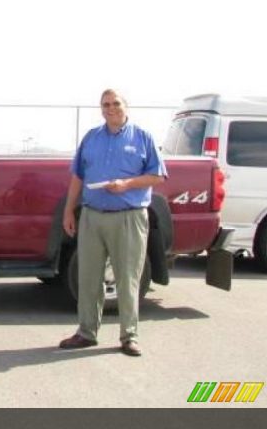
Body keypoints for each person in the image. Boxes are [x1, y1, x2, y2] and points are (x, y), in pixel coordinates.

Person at [58, 89, 167, 357]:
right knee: (88, 278)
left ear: (126, 106)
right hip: (93, 216)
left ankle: (129, 336)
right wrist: (68, 211)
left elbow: (158, 176)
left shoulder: (142, 137)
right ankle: (86, 332)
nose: (110, 108)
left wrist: (127, 184)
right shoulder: (91, 138)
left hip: (128, 217)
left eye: (115, 103)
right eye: (105, 104)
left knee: (127, 279)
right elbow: (77, 177)